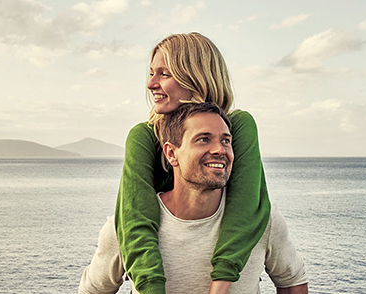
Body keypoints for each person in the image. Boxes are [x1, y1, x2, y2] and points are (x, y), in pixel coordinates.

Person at [79, 103, 308, 294]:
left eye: (226, 140)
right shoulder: (126, 228)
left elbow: (292, 282)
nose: (220, 149)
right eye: (203, 139)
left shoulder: (262, 220)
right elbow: (94, 291)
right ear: (171, 153)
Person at [115, 32, 272, 294]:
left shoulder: (239, 126)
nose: (151, 84)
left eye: (164, 74)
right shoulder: (144, 137)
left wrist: (218, 287)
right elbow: (134, 222)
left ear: (196, 76)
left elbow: (246, 207)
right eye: (151, 73)